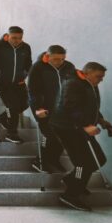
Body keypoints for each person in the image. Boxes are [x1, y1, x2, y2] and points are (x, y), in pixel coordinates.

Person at [53, 62, 112, 211]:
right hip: (69, 128)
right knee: (83, 163)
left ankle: (72, 180)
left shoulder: (89, 84)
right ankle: (70, 196)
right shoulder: (73, 84)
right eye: (99, 76)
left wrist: (101, 120)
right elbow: (71, 107)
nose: (101, 80)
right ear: (87, 73)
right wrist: (85, 125)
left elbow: (92, 106)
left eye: (102, 77)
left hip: (81, 128)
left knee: (98, 159)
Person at [27, 45, 77, 173]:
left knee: (62, 136)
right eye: (55, 59)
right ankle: (40, 161)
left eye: (62, 59)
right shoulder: (38, 67)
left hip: (63, 110)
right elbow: (33, 90)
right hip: (43, 108)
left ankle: (53, 160)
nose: (59, 62)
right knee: (49, 135)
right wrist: (38, 108)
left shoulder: (69, 67)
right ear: (47, 56)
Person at [0, 26, 32, 143]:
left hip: (18, 82)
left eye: (20, 38)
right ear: (7, 36)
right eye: (14, 38)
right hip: (2, 81)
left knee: (25, 104)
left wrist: (25, 74)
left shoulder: (25, 47)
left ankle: (3, 118)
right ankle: (12, 133)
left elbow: (28, 63)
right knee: (12, 106)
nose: (17, 40)